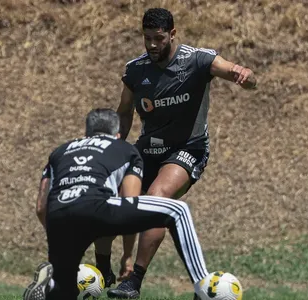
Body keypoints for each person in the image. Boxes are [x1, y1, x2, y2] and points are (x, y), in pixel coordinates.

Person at [108, 7, 257, 299]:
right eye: (147, 38)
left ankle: (133, 282)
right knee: (110, 198)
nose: (152, 45)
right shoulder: (135, 70)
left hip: (187, 149)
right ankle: (103, 268)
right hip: (147, 150)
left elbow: (234, 70)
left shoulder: (197, 59)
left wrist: (245, 76)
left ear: (173, 34)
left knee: (158, 197)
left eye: (159, 38)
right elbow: (124, 112)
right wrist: (114, 145)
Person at [23, 108, 211, 300]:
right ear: (118, 134)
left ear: (86, 133)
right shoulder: (125, 149)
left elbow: (41, 207)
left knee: (64, 292)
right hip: (96, 206)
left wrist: (58, 235)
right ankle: (204, 287)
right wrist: (127, 257)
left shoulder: (60, 152)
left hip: (59, 215)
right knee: (177, 210)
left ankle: (50, 288)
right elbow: (129, 201)